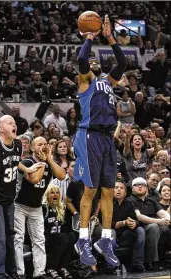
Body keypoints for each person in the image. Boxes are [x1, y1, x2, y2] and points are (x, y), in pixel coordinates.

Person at [73, 15, 126, 267]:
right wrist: (90, 37)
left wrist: (111, 38)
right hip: (89, 135)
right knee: (90, 190)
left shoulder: (107, 82)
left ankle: (105, 240)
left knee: (108, 190)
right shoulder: (85, 83)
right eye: (91, 61)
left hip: (107, 139)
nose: (92, 61)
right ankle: (83, 239)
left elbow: (123, 62)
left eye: (96, 60)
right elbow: (83, 58)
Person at [0, 115, 42, 279]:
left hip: (9, 199)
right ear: (1, 129)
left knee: (10, 236)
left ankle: (11, 272)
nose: (14, 125)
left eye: (14, 123)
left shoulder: (18, 145)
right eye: (9, 123)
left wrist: (27, 169)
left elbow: (14, 162)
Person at [14, 137, 66, 279]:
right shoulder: (28, 162)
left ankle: (39, 272)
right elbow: (34, 179)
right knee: (18, 238)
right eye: (39, 144)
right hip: (19, 205)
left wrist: (49, 160)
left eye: (45, 144)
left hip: (36, 206)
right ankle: (19, 273)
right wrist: (43, 162)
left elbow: (62, 175)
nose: (43, 146)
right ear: (32, 148)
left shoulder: (48, 162)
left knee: (39, 239)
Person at [42, 184, 76, 279]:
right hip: (46, 238)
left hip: (58, 238)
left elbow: (64, 226)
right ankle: (51, 268)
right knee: (62, 237)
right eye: (52, 193)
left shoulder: (61, 208)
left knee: (72, 236)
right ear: (47, 195)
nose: (55, 195)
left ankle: (63, 267)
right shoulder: (44, 208)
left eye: (57, 193)